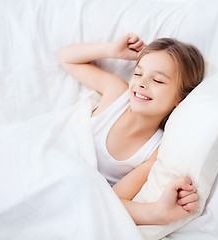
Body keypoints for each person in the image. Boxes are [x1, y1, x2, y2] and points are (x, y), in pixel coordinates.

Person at [57, 33, 205, 225]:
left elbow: (107, 201)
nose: (141, 83)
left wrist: (157, 212)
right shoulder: (117, 93)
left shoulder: (155, 150)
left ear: (181, 99)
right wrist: (111, 50)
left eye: (158, 80)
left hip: (72, 192)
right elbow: (65, 58)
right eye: (138, 73)